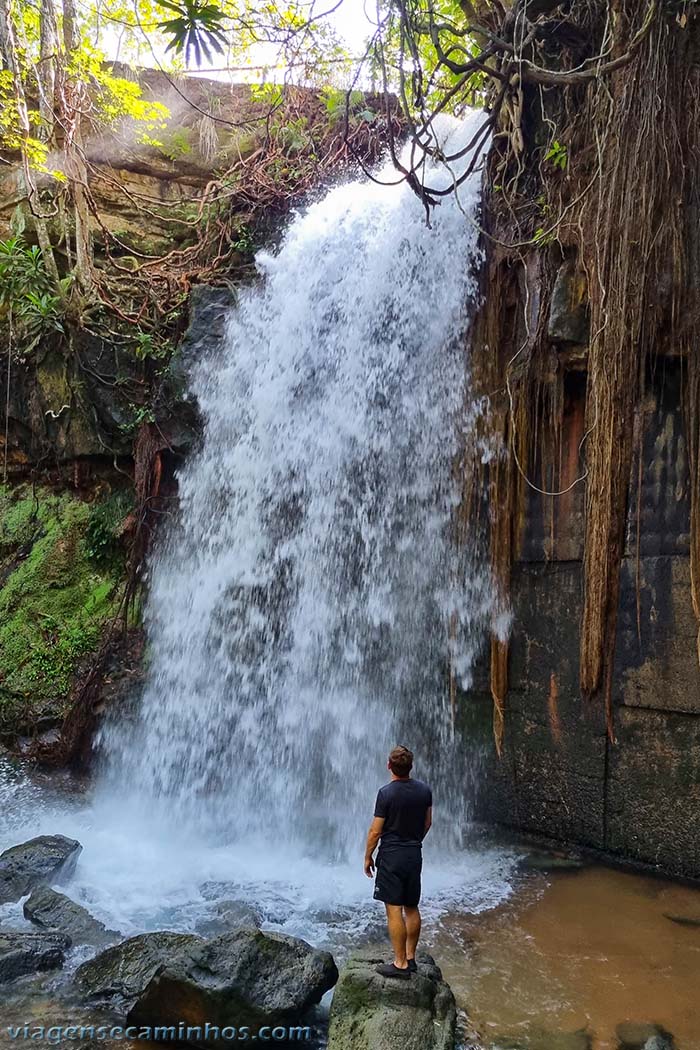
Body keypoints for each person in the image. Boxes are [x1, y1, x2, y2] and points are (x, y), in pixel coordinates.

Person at [363, 745, 432, 979]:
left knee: (394, 909)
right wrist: (414, 841)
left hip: (391, 856)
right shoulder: (424, 790)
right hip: (414, 854)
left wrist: (367, 857)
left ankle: (400, 964)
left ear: (389, 766)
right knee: (411, 906)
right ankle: (411, 957)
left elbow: (375, 831)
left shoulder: (386, 793)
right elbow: (428, 822)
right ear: (410, 766)